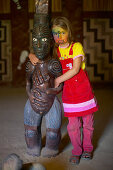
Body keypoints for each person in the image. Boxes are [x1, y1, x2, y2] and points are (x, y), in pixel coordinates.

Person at [29, 16, 99, 165]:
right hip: (69, 94)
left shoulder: (76, 47)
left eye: (62, 32)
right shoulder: (55, 51)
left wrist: (58, 79)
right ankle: (77, 151)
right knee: (73, 125)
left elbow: (75, 69)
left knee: (87, 123)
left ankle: (87, 148)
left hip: (83, 91)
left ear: (68, 31)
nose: (58, 37)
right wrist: (31, 55)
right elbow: (40, 55)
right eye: (55, 33)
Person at [24, 2, 63, 158]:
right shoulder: (31, 64)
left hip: (51, 102)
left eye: (44, 41)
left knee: (53, 136)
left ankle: (52, 148)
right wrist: (30, 95)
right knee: (30, 134)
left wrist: (51, 91)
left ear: (51, 42)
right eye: (35, 41)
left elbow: (61, 85)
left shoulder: (54, 64)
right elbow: (28, 83)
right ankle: (35, 145)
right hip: (33, 102)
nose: (39, 45)